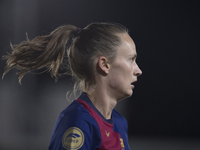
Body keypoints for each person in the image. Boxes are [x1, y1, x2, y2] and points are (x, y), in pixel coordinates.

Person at [2, 22, 142, 150]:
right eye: (131, 60)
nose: (138, 70)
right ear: (104, 64)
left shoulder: (119, 122)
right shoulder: (79, 121)